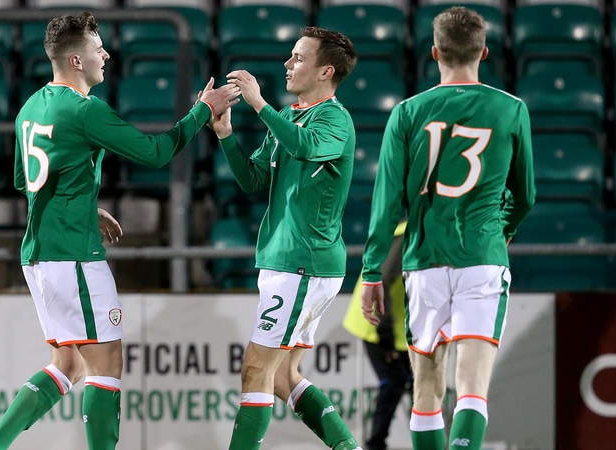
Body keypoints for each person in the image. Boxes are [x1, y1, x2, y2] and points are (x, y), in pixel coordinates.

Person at [0, 11, 240, 450]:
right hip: (73, 253)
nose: (106, 54)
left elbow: (26, 181)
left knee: (67, 363)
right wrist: (201, 112)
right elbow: (155, 153)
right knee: (105, 365)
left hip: (37, 253)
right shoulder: (83, 110)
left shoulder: (30, 106)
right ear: (77, 60)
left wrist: (84, 203)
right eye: (98, 48)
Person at [359, 7, 535, 450]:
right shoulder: (512, 109)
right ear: (485, 51)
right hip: (481, 259)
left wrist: (371, 271)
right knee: (472, 387)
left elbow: (386, 204)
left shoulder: (406, 112)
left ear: (434, 52)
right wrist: (502, 228)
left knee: (426, 392)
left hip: (424, 263)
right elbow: (526, 194)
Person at [208, 27, 361, 450]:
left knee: (255, 370)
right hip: (287, 261)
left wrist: (257, 104)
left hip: (303, 262)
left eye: (298, 57)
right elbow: (253, 179)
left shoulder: (334, 118)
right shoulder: (289, 115)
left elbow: (306, 148)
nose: (287, 64)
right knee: (281, 376)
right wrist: (225, 135)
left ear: (326, 71)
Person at [343, 222, 411, 450]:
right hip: (376, 323)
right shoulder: (405, 237)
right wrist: (386, 336)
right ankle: (375, 444)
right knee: (394, 381)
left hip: (401, 328)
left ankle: (426, 439)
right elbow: (381, 279)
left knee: (419, 386)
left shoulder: (424, 231)